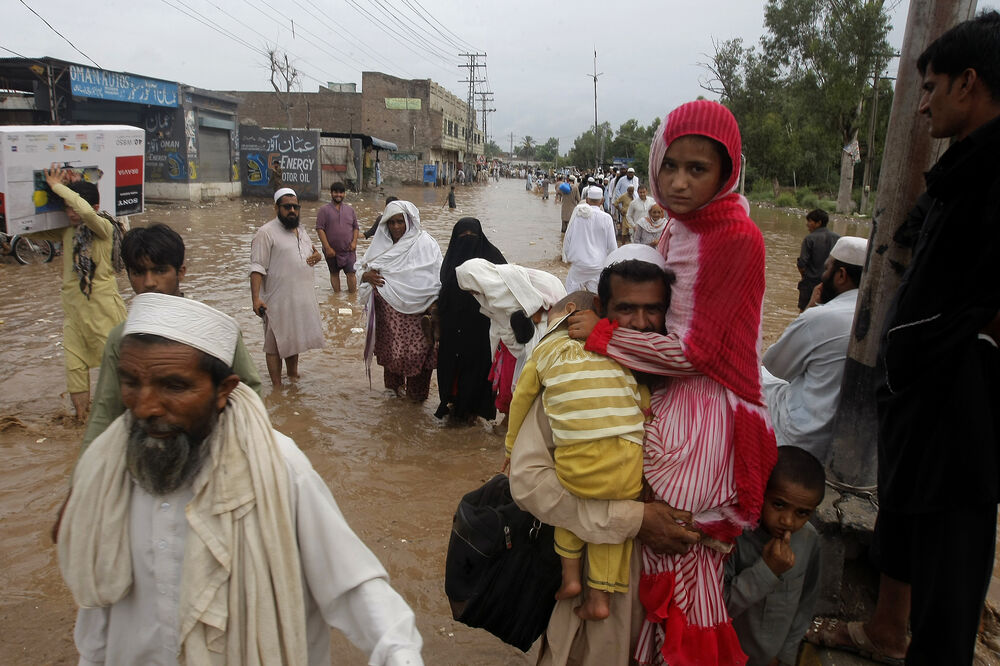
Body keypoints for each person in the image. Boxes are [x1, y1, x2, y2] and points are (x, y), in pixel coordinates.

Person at [57, 293, 423, 665]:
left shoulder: (278, 468)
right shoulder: (107, 469)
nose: (146, 406)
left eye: (174, 386)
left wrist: (400, 655)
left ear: (224, 391)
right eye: (132, 383)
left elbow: (352, 587)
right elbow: (98, 607)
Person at [810, 12, 1000, 665]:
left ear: (968, 84)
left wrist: (964, 348)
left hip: (958, 398)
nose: (921, 104)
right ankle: (890, 629)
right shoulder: (963, 172)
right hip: (923, 394)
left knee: (954, 543)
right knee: (911, 513)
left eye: (931, 87)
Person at [565, 100, 777, 665]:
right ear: (655, 163)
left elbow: (693, 352)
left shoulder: (735, 235)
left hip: (705, 413)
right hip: (673, 399)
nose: (679, 183)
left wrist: (604, 335)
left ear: (727, 172)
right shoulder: (679, 228)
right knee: (668, 574)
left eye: (697, 169)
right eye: (671, 166)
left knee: (681, 564)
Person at [507, 246, 694, 666]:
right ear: (602, 312)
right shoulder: (575, 378)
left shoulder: (693, 385)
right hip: (598, 579)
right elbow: (528, 482)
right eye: (626, 309)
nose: (642, 324)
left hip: (681, 583)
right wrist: (633, 519)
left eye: (655, 310)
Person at [82, 223, 261, 449]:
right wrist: (85, 472)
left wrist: (240, 448)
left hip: (208, 447)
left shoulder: (213, 328)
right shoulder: (122, 338)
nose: (149, 283)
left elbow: (249, 391)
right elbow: (106, 410)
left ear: (181, 272)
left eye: (159, 270)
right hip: (146, 449)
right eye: (138, 272)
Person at [25, 164, 127, 421]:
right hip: (74, 312)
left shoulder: (102, 227)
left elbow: (83, 211)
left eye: (74, 207)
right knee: (75, 367)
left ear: (93, 208)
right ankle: (80, 421)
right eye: (66, 208)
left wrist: (57, 186)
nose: (70, 213)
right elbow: (27, 228)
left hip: (103, 309)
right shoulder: (67, 232)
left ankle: (121, 416)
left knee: (115, 366)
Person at [761, 236, 867, 463]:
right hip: (850, 441)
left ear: (841, 276)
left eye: (828, 268)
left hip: (801, 437)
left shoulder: (821, 317)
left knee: (754, 372)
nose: (823, 275)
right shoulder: (884, 317)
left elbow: (774, 366)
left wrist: (808, 309)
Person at [725, 446, 824, 666]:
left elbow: (806, 603)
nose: (788, 521)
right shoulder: (733, 537)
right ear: (760, 492)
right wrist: (767, 571)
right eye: (778, 505)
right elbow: (720, 607)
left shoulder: (809, 540)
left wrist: (785, 656)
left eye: (802, 513)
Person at [455, 259, 566, 415]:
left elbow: (524, 319)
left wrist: (510, 340)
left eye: (470, 287)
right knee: (512, 379)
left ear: (478, 279)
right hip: (520, 330)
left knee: (523, 378)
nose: (471, 293)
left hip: (538, 321)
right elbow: (502, 320)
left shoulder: (500, 290)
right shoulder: (491, 286)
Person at [358, 200, 442, 401]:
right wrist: (365, 276)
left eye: (400, 221)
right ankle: (393, 397)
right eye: (391, 222)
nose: (395, 227)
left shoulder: (426, 243)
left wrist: (433, 304)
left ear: (409, 222)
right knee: (393, 354)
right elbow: (362, 268)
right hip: (390, 316)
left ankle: (415, 403)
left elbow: (437, 276)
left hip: (418, 316)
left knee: (418, 357)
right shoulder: (380, 245)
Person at [249, 187, 324, 387]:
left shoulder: (301, 231)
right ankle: (276, 387)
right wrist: (256, 299)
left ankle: (292, 378)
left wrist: (319, 256)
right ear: (277, 208)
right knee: (274, 345)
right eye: (287, 207)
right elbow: (257, 267)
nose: (292, 210)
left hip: (299, 299)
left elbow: (312, 252)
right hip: (276, 300)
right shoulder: (265, 233)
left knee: (293, 340)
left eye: (295, 206)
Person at [434, 218, 506, 421]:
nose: (467, 240)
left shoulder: (493, 257)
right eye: (462, 236)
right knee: (451, 368)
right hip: (452, 326)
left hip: (481, 328)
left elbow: (507, 288)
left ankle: (472, 411)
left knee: (477, 369)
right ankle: (453, 403)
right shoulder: (450, 261)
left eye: (471, 236)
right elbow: (444, 290)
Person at [562, 186, 617, 292]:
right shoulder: (606, 218)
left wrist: (567, 256)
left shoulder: (578, 215)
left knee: (571, 298)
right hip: (598, 265)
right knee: (596, 298)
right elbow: (612, 246)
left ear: (586, 200)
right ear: (602, 201)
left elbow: (568, 237)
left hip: (579, 264)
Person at [315, 181, 360, 293]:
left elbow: (356, 228)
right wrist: (327, 247)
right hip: (331, 251)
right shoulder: (324, 210)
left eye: (341, 192)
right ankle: (337, 297)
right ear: (331, 193)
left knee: (351, 273)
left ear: (344, 194)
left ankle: (352, 298)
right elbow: (320, 229)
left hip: (349, 250)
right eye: (336, 192)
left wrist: (354, 242)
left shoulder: (350, 210)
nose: (338, 195)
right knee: (334, 274)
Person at [795, 209, 839, 312]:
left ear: (818, 223)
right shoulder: (838, 238)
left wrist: (804, 276)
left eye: (810, 221)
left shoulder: (809, 239)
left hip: (810, 283)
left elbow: (801, 263)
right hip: (830, 284)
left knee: (804, 312)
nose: (807, 224)